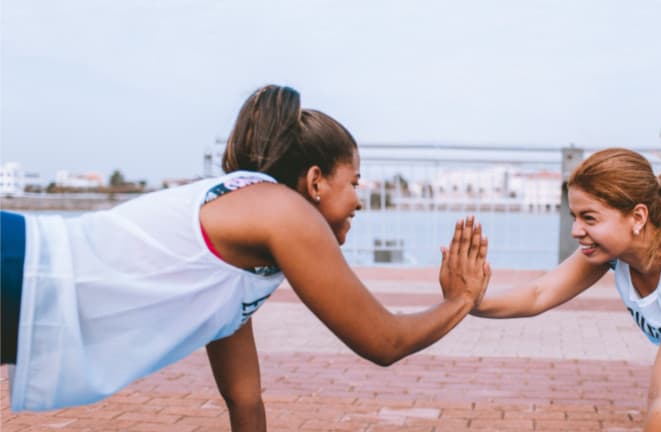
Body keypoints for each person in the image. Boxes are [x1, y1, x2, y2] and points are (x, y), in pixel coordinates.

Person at [0, 84, 491, 431]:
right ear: (317, 181)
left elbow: (244, 398)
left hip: (22, 282)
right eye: (354, 182)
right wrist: (461, 299)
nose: (360, 200)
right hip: (22, 267)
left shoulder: (243, 256)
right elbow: (384, 342)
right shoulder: (281, 211)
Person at [470, 147, 661, 432]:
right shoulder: (611, 252)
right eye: (574, 217)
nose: (575, 231)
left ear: (638, 217)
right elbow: (539, 294)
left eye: (589, 218)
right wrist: (470, 302)